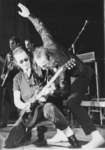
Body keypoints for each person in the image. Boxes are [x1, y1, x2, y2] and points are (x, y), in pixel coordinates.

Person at [17, 3, 105, 149]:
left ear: (49, 56)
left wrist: (53, 90)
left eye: (46, 65)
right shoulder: (46, 55)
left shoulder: (54, 51)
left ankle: (96, 137)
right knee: (53, 98)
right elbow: (41, 28)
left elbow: (64, 90)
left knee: (72, 102)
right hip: (69, 76)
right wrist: (29, 16)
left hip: (81, 74)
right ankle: (62, 132)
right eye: (42, 67)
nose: (45, 68)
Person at [1, 47, 81, 148]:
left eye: (26, 59)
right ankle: (30, 134)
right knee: (9, 143)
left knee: (50, 107)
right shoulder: (17, 79)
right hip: (28, 114)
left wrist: (49, 91)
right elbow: (17, 102)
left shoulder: (39, 70)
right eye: (21, 61)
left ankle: (71, 137)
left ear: (29, 58)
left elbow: (52, 83)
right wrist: (26, 105)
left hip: (42, 110)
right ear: (17, 63)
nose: (25, 63)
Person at [0, 36, 21, 128]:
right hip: (8, 82)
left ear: (17, 44)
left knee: (18, 101)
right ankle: (4, 121)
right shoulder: (8, 54)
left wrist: (15, 67)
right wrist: (3, 74)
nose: (10, 45)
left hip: (18, 81)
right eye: (10, 44)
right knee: (5, 101)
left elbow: (23, 67)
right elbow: (5, 68)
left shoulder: (21, 53)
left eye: (12, 43)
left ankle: (21, 122)